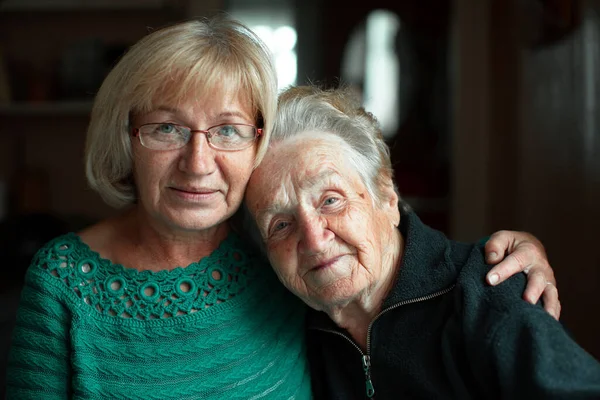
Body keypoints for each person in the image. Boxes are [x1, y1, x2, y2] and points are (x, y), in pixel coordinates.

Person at [6, 17, 557, 399]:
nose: (198, 163)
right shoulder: (62, 286)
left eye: (227, 130)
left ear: (256, 150)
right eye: (166, 128)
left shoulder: (278, 255)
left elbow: (386, 273)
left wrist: (508, 266)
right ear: (127, 139)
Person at [244, 85, 600, 399]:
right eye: (281, 225)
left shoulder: (490, 295)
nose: (314, 240)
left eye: (331, 200)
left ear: (386, 196)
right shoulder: (287, 327)